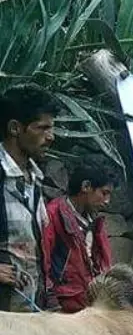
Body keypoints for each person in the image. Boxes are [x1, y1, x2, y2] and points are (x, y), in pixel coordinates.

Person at [0, 84, 56, 313]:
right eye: (42, 128)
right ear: (15, 128)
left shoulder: (34, 181)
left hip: (29, 314)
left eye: (52, 128)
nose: (51, 137)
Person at [41, 155, 113, 313]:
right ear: (86, 186)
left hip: (90, 303)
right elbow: (43, 261)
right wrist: (50, 299)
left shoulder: (95, 221)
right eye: (104, 193)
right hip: (65, 306)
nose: (107, 201)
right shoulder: (53, 215)